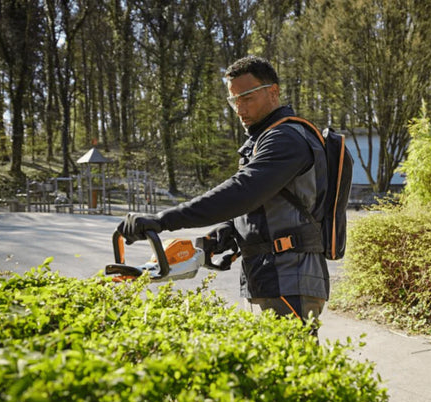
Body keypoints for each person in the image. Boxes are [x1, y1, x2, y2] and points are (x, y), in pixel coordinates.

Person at [117, 55, 329, 329]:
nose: (239, 109)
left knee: (292, 367)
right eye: (233, 100)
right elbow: (266, 201)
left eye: (247, 98)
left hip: (290, 276)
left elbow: (243, 192)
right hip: (269, 274)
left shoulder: (285, 138)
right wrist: (230, 229)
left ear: (273, 92)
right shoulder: (266, 137)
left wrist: (162, 220)